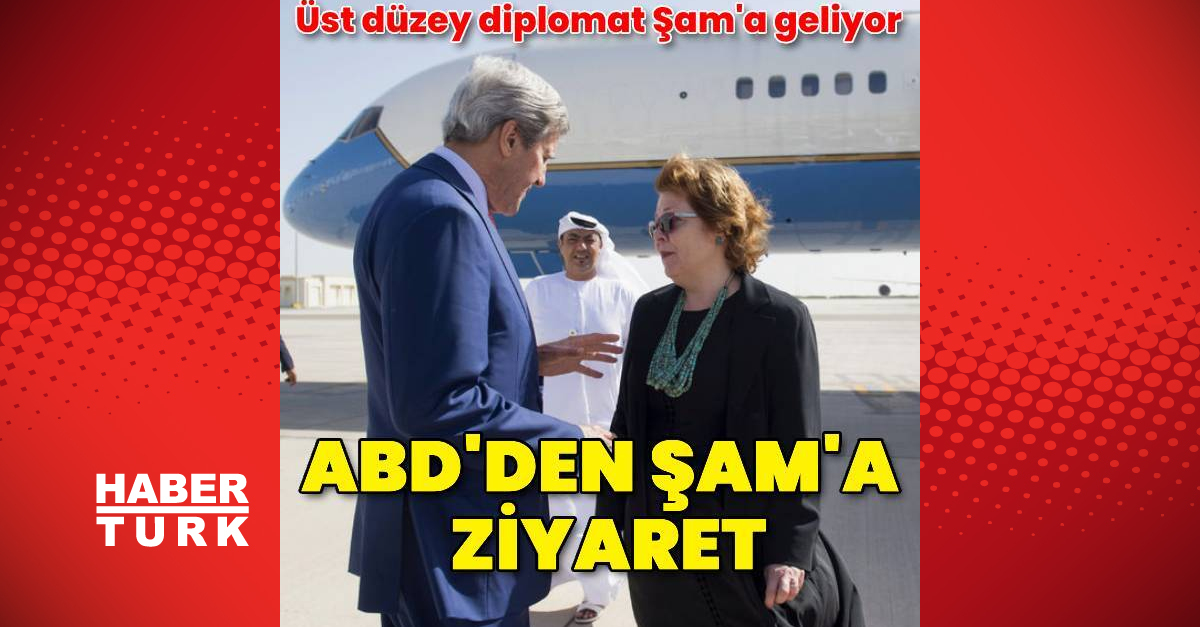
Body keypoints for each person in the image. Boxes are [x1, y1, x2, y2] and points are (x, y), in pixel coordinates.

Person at [350, 56, 619, 627]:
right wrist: (573, 440)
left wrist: (527, 361)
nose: (543, 178)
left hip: (440, 542)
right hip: (454, 548)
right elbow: (435, 403)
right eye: (545, 156)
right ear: (510, 137)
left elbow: (426, 363)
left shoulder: (423, 198)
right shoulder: (443, 215)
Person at [598, 155, 865, 627]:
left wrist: (788, 553)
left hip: (741, 552)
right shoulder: (650, 313)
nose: (658, 235)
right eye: (654, 225)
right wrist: (609, 522)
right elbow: (626, 427)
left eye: (671, 222)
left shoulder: (779, 319)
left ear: (721, 227)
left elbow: (796, 444)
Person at [524, 211, 645, 624]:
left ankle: (598, 593)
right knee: (559, 507)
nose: (581, 247)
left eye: (589, 240)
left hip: (610, 424)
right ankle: (556, 578)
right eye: (572, 239)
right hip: (555, 423)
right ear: (560, 246)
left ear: (601, 246)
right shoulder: (537, 291)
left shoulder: (622, 294)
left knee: (602, 510)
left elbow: (640, 360)